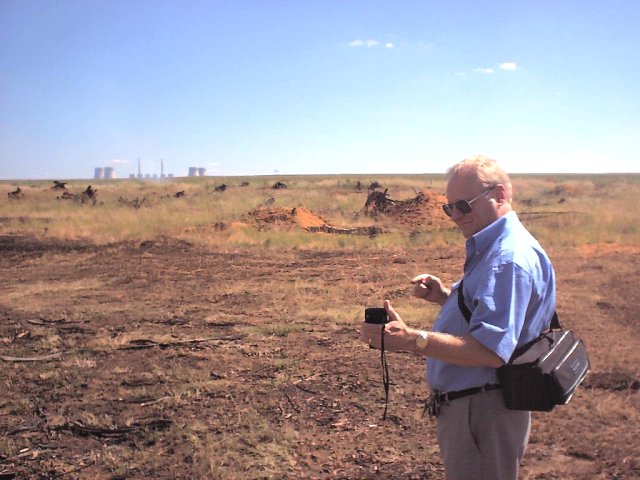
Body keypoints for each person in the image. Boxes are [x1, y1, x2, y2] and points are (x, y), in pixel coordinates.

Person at [360, 156, 556, 480]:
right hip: (479, 406)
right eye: (448, 208)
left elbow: (490, 351)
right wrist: (444, 298)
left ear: (500, 195)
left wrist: (413, 340)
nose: (455, 216)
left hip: (481, 409)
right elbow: (498, 318)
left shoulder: (507, 259)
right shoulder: (498, 247)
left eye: (464, 205)